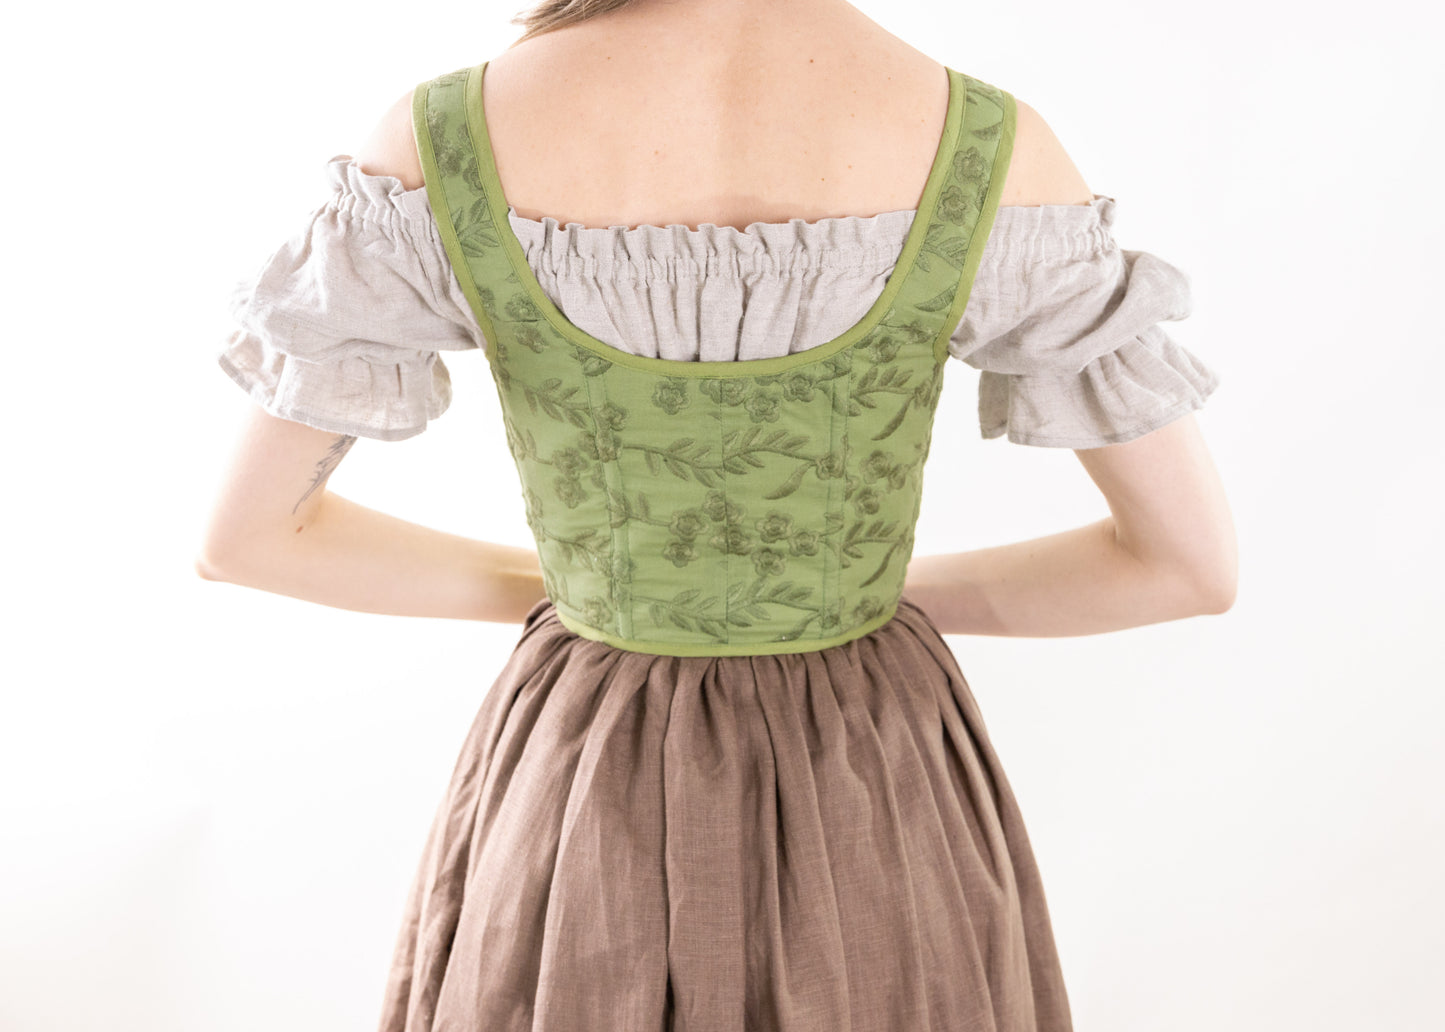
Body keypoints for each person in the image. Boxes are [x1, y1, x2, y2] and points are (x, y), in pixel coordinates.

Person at [197, 0, 1238, 1028]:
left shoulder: (441, 139)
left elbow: (250, 540)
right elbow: (1184, 566)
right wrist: (827, 589)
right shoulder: (989, 146)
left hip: (586, 771)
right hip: (870, 766)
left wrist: (608, 593)